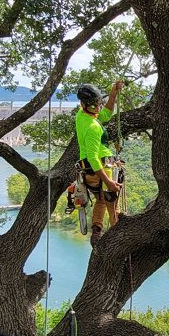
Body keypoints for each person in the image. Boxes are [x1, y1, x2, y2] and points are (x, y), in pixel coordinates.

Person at [72, 79, 124, 245]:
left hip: (89, 172)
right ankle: (119, 240)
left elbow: (106, 114)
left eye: (99, 104)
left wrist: (113, 93)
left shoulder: (81, 116)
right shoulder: (93, 127)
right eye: (96, 105)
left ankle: (96, 232)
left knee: (101, 200)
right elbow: (93, 158)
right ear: (86, 105)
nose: (99, 108)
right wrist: (109, 182)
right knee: (112, 204)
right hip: (102, 169)